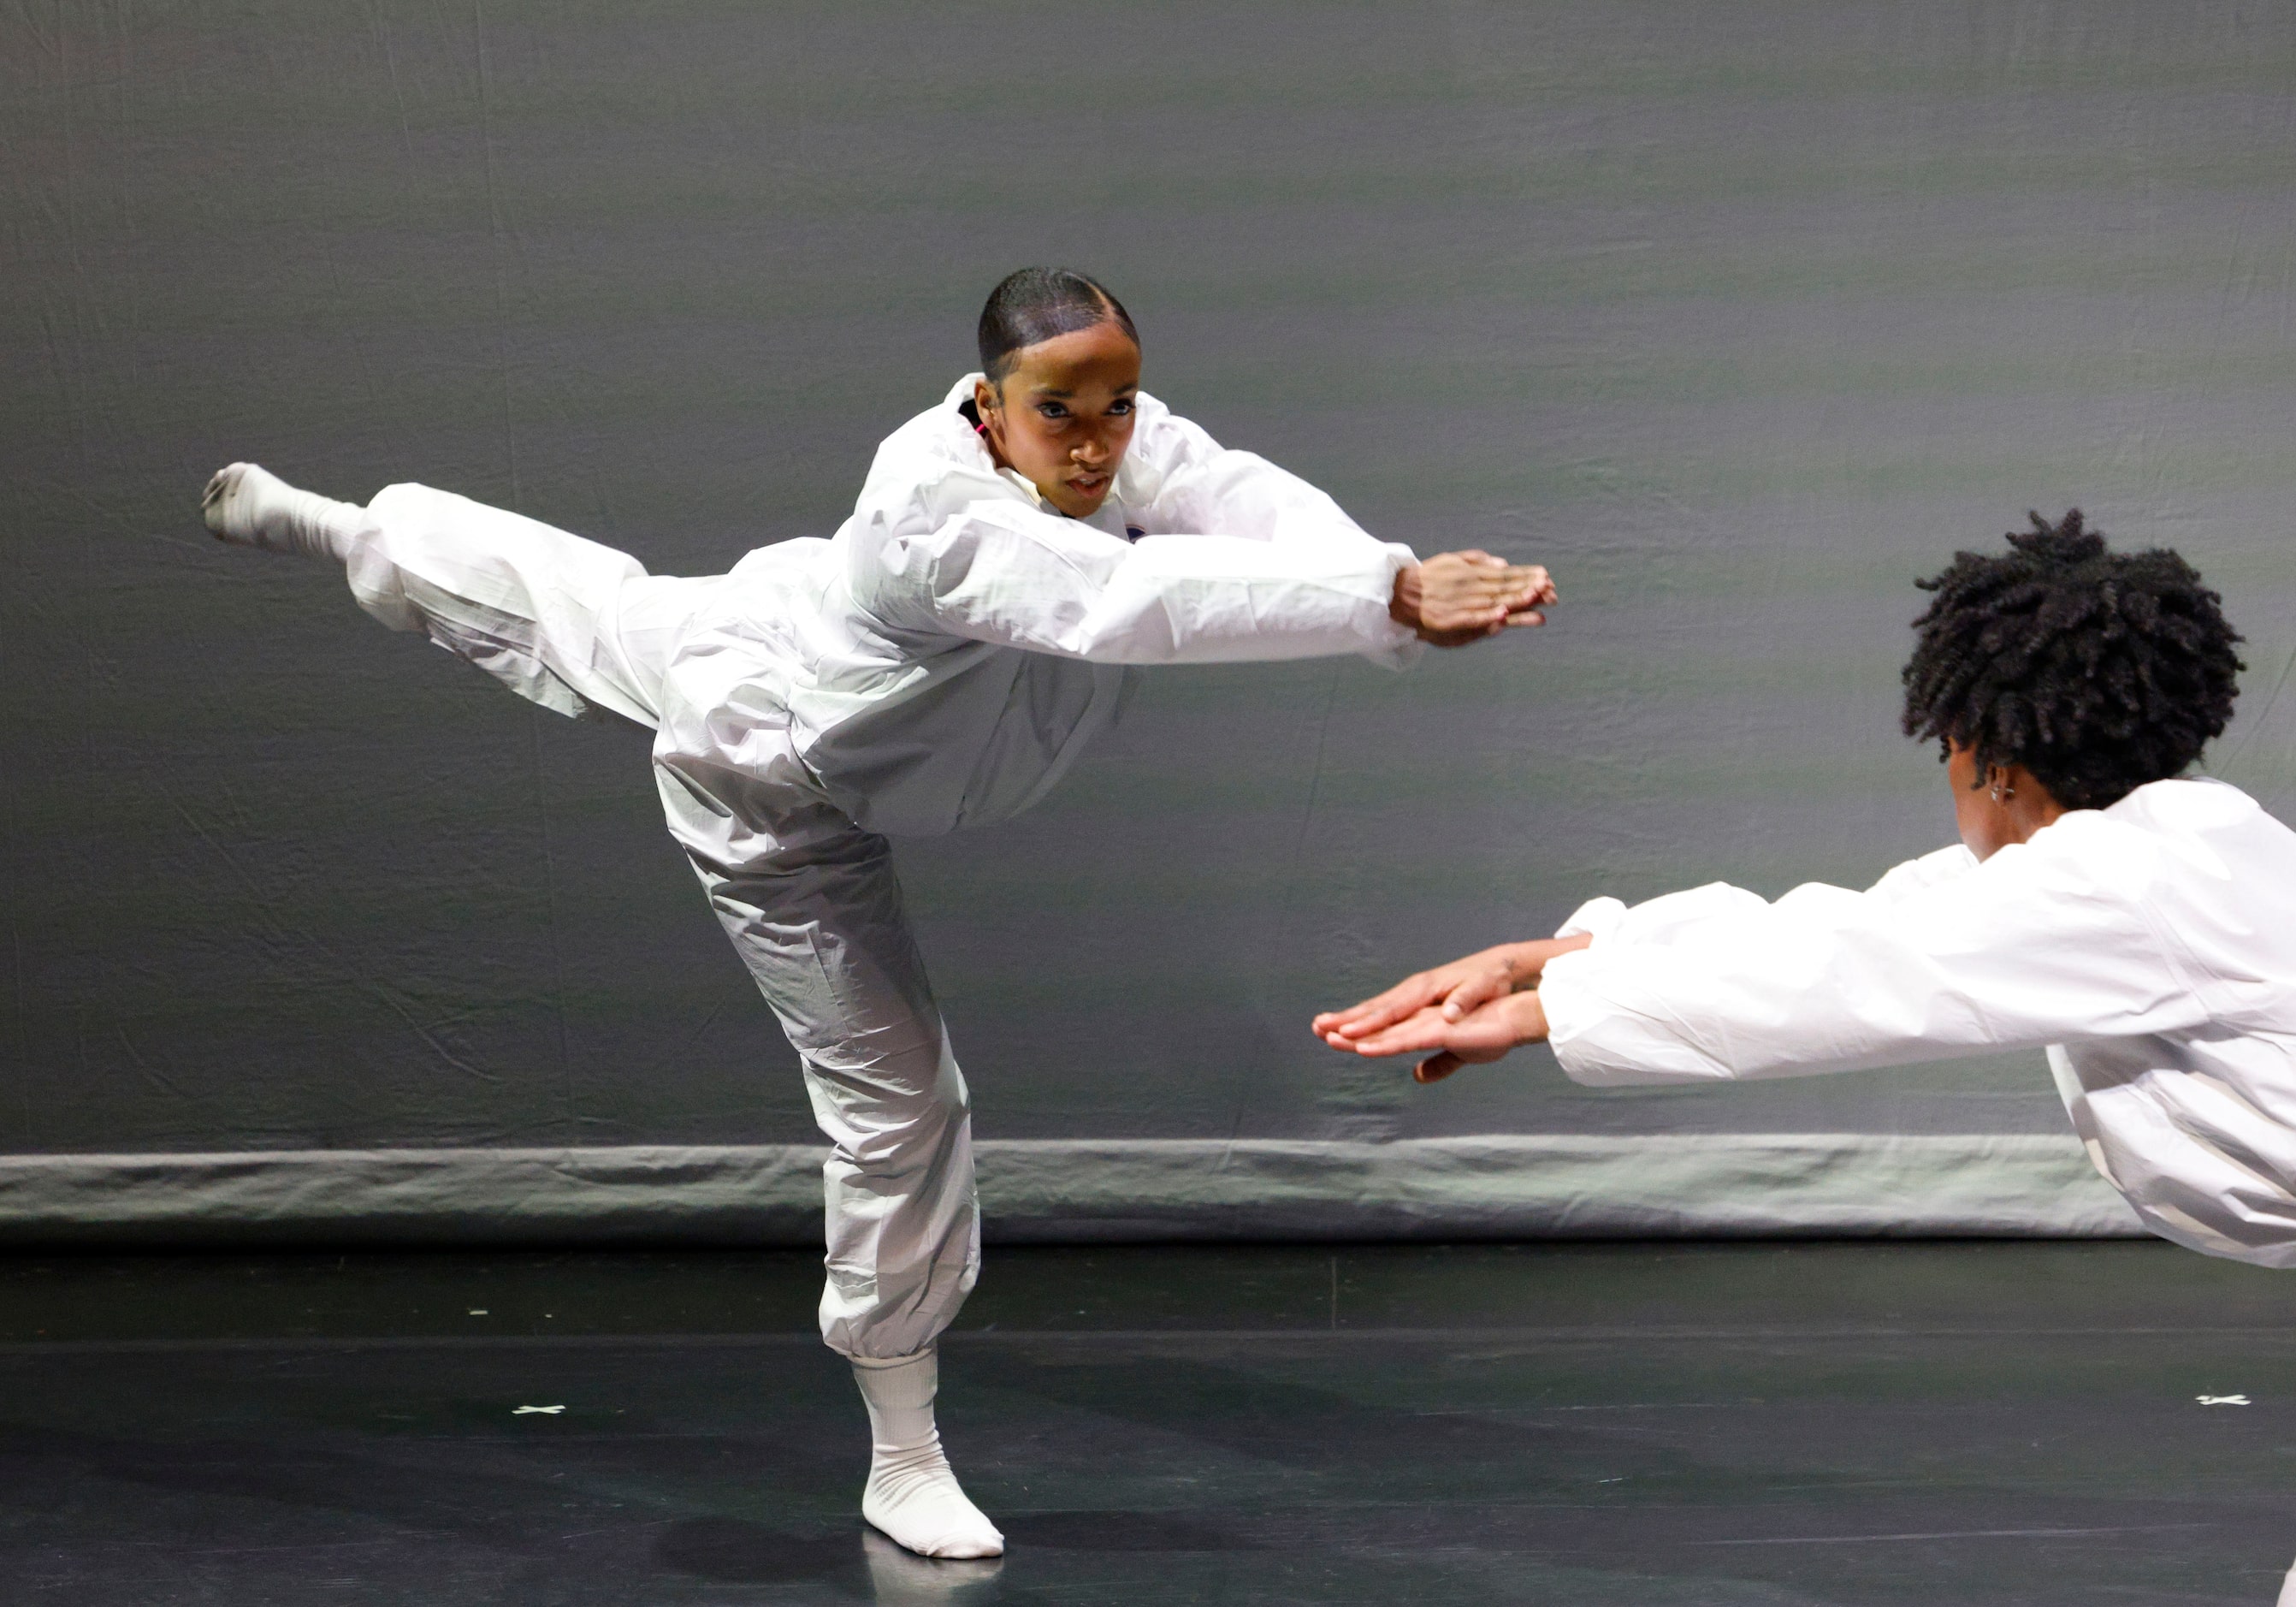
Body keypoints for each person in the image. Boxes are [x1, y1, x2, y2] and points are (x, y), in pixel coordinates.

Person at [203, 266, 1555, 1560]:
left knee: (590, 598)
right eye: (1061, 414)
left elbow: (1231, 496)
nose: (1097, 445)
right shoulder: (937, 515)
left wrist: (1389, 578)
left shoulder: (1111, 434)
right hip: (770, 781)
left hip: (778, 625)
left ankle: (350, 527)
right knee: (902, 1100)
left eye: (1119, 405)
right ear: (986, 405)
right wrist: (1381, 597)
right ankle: (902, 1451)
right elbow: (1119, 599)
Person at [1316, 511, 2296, 1604]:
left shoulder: (2122, 884)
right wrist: (1558, 962)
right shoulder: (2152, 856)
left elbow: (1847, 977)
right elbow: (1843, 928)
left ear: (1987, 760)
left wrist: (1548, 1009)